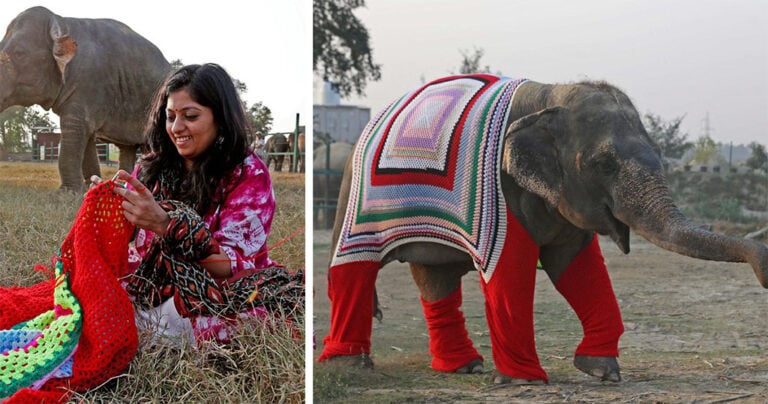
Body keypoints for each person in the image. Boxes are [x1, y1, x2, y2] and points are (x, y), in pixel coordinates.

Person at [92, 63, 303, 344]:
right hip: (149, 286)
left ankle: (142, 326)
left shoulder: (248, 174)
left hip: (217, 290)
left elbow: (229, 266)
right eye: (170, 117)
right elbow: (127, 235)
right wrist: (112, 208)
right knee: (91, 293)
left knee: (239, 318)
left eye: (190, 116)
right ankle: (141, 324)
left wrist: (167, 225)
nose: (176, 128)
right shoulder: (152, 167)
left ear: (220, 118)